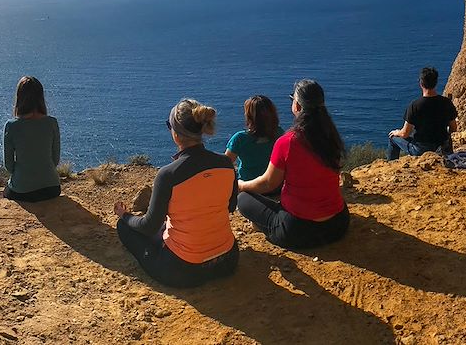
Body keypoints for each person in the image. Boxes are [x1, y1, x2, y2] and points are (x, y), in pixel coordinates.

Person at [114, 99, 238, 288]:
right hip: (227, 261)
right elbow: (230, 207)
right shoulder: (226, 164)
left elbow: (148, 226)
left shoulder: (168, 174)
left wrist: (125, 215)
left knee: (124, 228)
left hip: (184, 270)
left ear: (176, 134)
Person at [237, 80, 349, 249]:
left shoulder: (288, 141)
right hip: (338, 224)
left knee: (243, 199)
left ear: (297, 106)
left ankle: (263, 226)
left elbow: (268, 183)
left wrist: (242, 185)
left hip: (298, 231)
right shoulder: (331, 135)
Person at [3, 76, 61, 202]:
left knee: (6, 192)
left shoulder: (11, 126)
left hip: (22, 191)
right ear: (41, 97)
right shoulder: (52, 122)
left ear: (19, 98)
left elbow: (9, 165)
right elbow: (55, 160)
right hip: (52, 189)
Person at [388, 67, 458, 160]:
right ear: (436, 83)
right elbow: (454, 128)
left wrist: (397, 132)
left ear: (421, 83)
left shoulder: (415, 105)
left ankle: (392, 164)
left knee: (392, 138)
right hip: (443, 147)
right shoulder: (446, 102)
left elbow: (405, 133)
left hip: (421, 150)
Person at [225, 95, 283, 185]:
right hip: (274, 185)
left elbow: (225, 164)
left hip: (248, 186)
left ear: (249, 116)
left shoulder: (240, 138)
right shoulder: (279, 133)